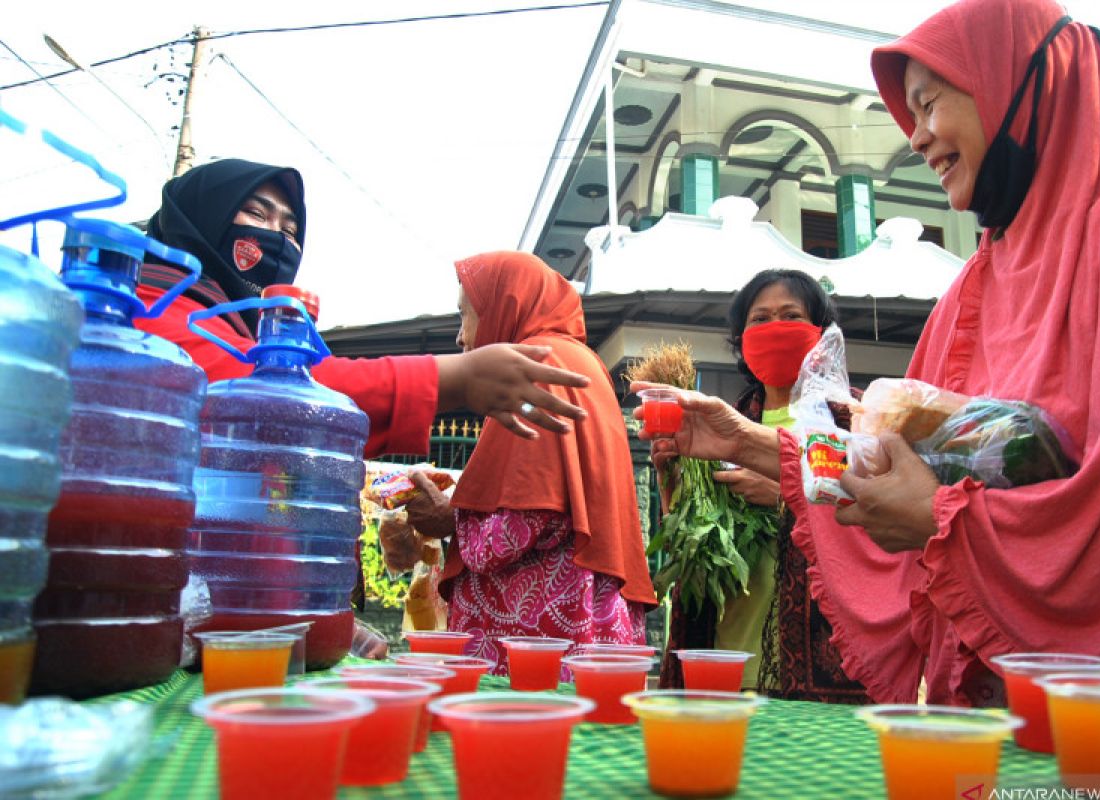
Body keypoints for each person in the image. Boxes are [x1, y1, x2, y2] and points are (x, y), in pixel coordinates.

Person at [638, 0, 1100, 706]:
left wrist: (940, 519)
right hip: (976, 693)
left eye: (930, 104)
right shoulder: (976, 281)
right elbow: (892, 467)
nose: (919, 137)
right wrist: (751, 443)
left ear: (1016, 82)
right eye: (912, 114)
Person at [135, 158, 592, 460]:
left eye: (290, 228)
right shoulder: (144, 311)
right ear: (200, 218)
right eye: (258, 215)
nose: (278, 237)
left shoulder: (552, 366)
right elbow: (277, 397)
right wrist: (453, 377)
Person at [406, 250, 657, 676]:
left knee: (529, 741)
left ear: (504, 306)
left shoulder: (536, 366)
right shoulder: (579, 361)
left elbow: (522, 522)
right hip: (587, 621)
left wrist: (451, 520)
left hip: (540, 640)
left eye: (465, 315)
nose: (459, 337)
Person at [658, 268, 868, 703]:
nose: (774, 329)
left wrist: (784, 494)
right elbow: (696, 543)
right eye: (759, 319)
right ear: (741, 338)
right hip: (729, 652)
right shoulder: (721, 421)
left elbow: (878, 525)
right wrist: (673, 482)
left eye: (791, 316)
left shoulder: (852, 421)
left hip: (826, 661)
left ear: (820, 333)